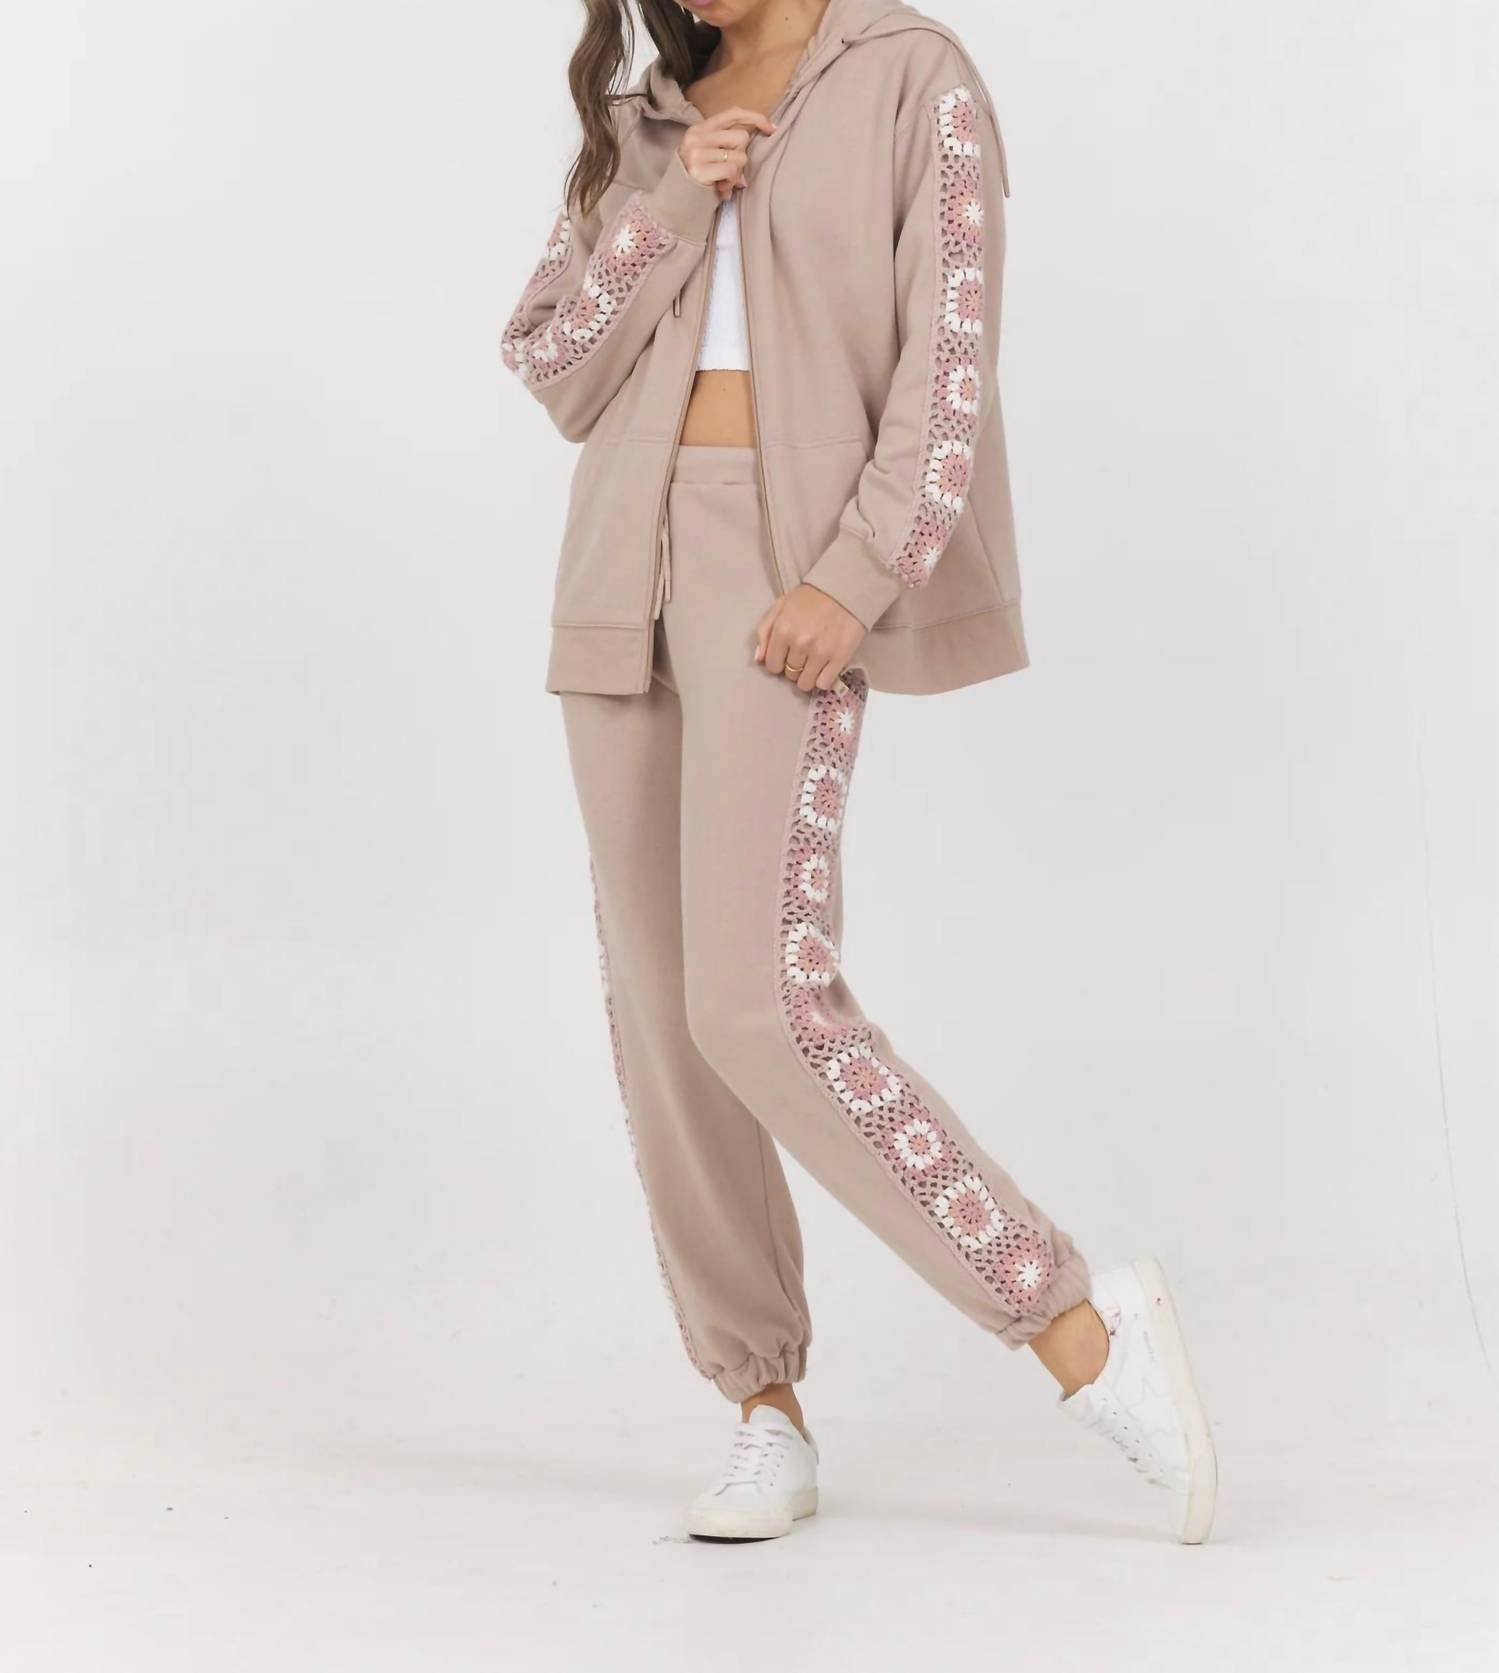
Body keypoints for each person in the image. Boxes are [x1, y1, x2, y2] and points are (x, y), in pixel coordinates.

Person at [502, 0, 1216, 1545]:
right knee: (666, 1017)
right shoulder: (645, 116)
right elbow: (551, 362)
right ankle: (762, 1402)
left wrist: (858, 570)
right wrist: (673, 197)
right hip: (620, 572)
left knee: (757, 1001)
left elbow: (949, 370)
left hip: (785, 571)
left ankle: (1075, 1325)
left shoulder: (912, 80)